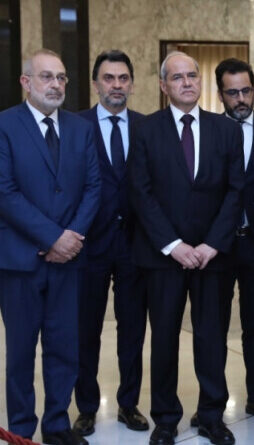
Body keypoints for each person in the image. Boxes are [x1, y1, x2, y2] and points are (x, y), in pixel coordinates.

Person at [127, 51, 243, 445]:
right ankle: (165, 418)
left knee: (212, 339)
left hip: (213, 257)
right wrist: (173, 245)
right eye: (177, 77)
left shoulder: (226, 130)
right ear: (163, 86)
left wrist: (212, 244)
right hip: (163, 258)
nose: (187, 82)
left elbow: (236, 191)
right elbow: (140, 192)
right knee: (164, 339)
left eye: (192, 75)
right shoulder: (145, 130)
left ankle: (211, 415)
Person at [0, 49, 101, 445]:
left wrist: (70, 237)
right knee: (21, 351)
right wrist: (52, 238)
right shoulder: (5, 125)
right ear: (26, 82)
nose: (56, 85)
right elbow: (5, 192)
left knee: (64, 347)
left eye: (61, 77)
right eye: (47, 77)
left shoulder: (80, 129)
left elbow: (93, 188)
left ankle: (57, 424)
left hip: (69, 260)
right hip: (19, 261)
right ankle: (21, 429)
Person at [73, 49, 149, 438]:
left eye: (123, 78)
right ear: (96, 84)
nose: (116, 85)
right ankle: (86, 407)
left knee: (132, 330)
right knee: (85, 330)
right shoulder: (76, 126)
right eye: (108, 78)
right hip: (88, 244)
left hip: (137, 244)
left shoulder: (147, 127)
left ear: (132, 84)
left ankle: (128, 404)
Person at [214, 57, 254, 422]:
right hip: (218, 244)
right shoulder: (209, 130)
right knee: (213, 326)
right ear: (221, 94)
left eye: (246, 91)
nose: (241, 99)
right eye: (232, 92)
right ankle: (213, 402)